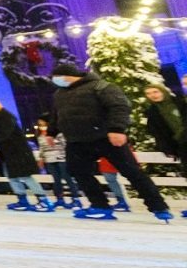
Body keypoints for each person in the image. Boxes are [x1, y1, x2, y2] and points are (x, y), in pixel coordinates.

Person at [48, 64, 172, 223]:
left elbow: (119, 107)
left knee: (132, 172)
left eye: (56, 77)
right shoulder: (60, 93)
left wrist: (117, 129)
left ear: (67, 75)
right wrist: (52, 131)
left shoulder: (101, 87)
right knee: (78, 172)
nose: (55, 81)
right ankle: (100, 206)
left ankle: (158, 206)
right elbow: (57, 114)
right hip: (77, 141)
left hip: (106, 138)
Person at [0, 98, 54, 212]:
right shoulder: (0, 121)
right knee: (12, 177)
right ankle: (22, 200)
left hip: (18, 153)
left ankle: (43, 200)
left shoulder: (5, 120)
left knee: (26, 176)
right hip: (9, 154)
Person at [143, 84, 187, 217]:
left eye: (155, 91)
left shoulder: (180, 102)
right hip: (180, 145)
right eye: (149, 93)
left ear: (163, 91)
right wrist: (167, 148)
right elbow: (157, 132)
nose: (153, 95)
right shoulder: (152, 111)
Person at [34, 113, 80, 209]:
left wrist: (53, 141)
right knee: (56, 179)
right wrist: (41, 158)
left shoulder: (58, 133)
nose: (41, 126)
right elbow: (42, 147)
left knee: (67, 178)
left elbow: (65, 144)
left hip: (61, 157)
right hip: (49, 159)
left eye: (43, 123)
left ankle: (76, 199)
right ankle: (59, 199)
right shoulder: (40, 135)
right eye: (40, 124)